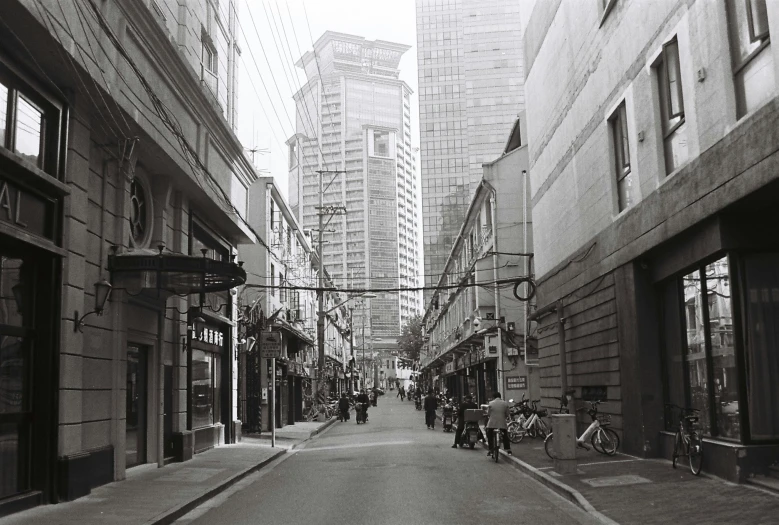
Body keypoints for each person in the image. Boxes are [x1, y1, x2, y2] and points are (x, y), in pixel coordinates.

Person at [486, 392, 511, 457]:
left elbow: (488, 413)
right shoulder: (505, 403)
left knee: (490, 435)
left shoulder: (490, 403)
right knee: (505, 435)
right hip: (502, 423)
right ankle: (508, 449)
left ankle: (490, 449)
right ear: (500, 397)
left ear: (493, 397)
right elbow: (507, 413)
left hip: (492, 424)